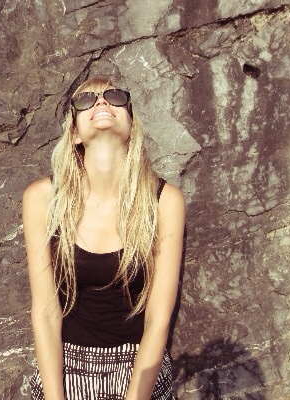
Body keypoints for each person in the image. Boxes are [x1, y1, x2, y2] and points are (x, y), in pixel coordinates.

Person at [22, 76, 185, 400]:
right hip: (66, 366)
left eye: (114, 96)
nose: (101, 102)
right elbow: (45, 312)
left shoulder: (164, 202)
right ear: (75, 133)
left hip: (138, 367)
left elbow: (157, 319)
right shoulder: (43, 199)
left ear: (131, 125)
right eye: (86, 100)